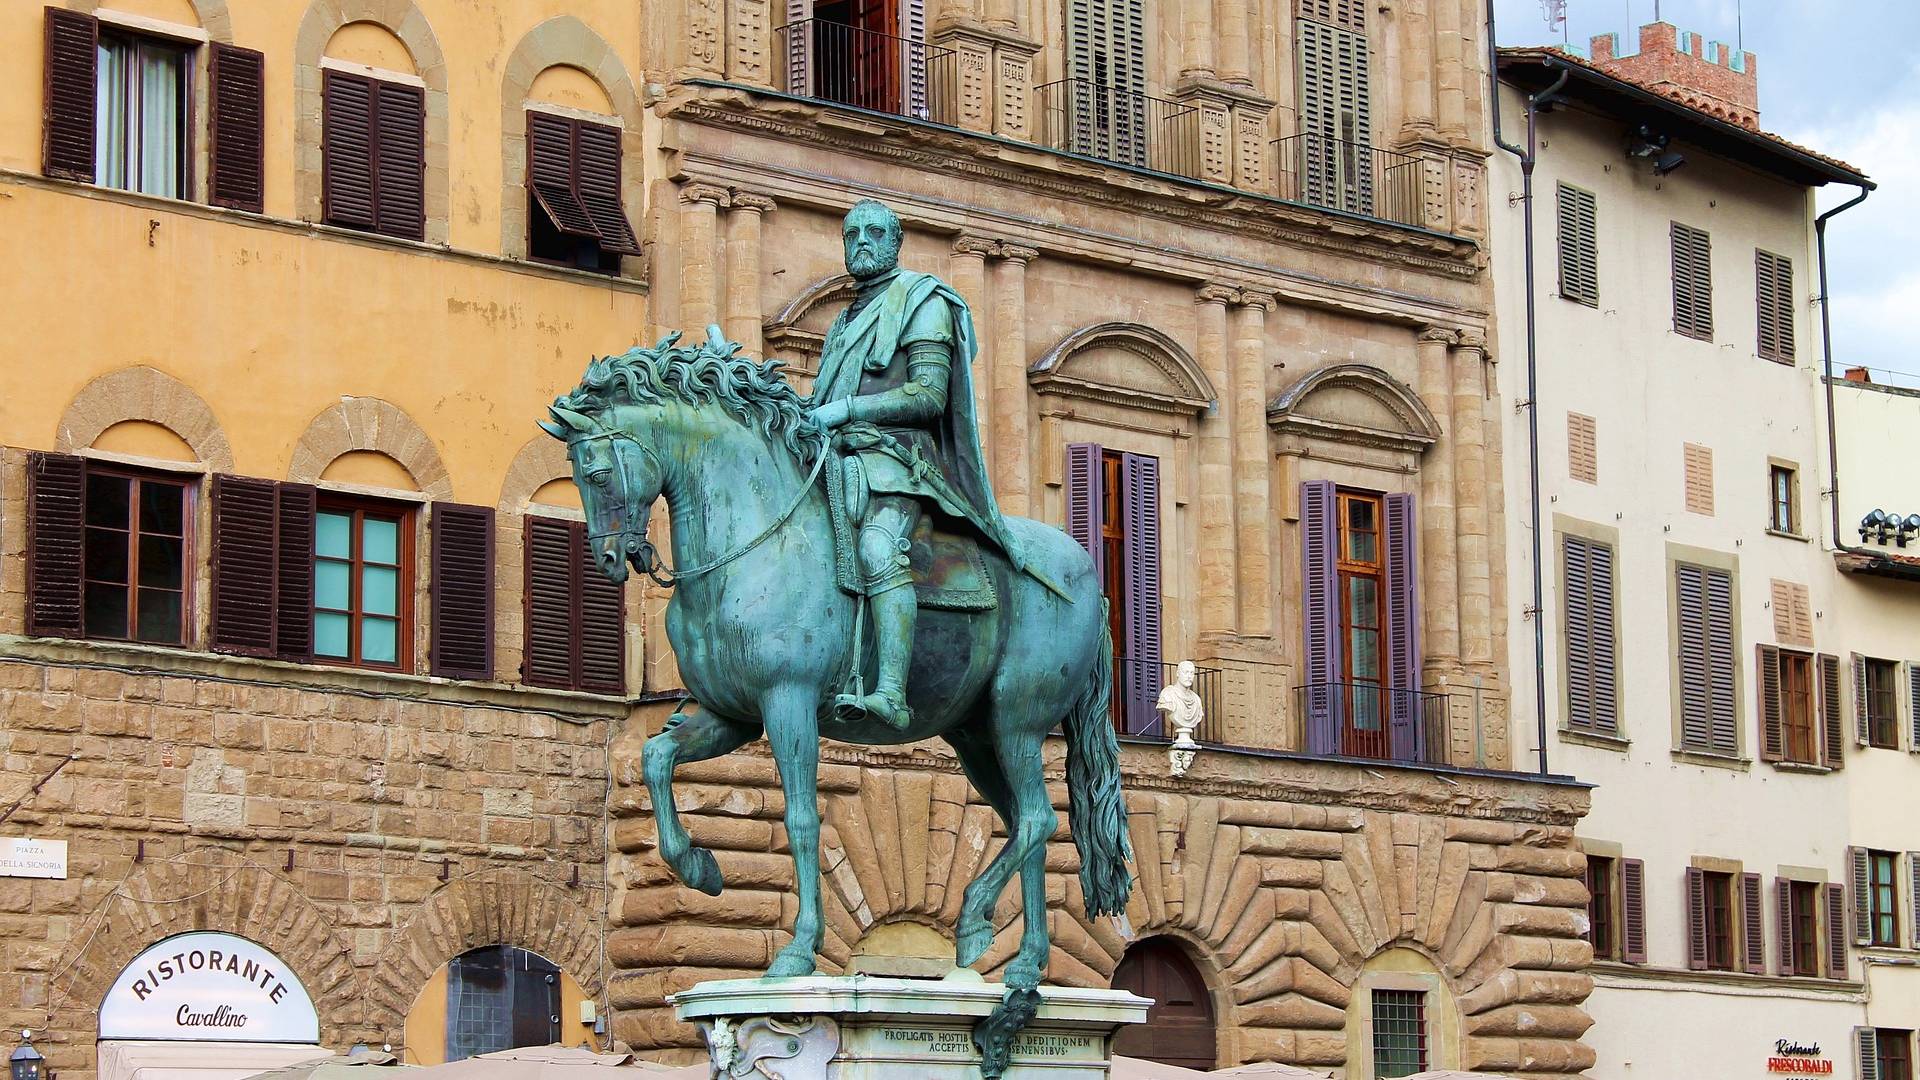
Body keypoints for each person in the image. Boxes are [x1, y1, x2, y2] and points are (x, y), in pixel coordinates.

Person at [808, 200, 1026, 730]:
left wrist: (850, 409)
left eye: (874, 232)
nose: (861, 240)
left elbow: (928, 395)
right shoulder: (845, 319)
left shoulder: (924, 302)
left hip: (898, 463)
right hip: (836, 457)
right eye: (852, 232)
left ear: (894, 241)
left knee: (878, 548)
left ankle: (891, 693)